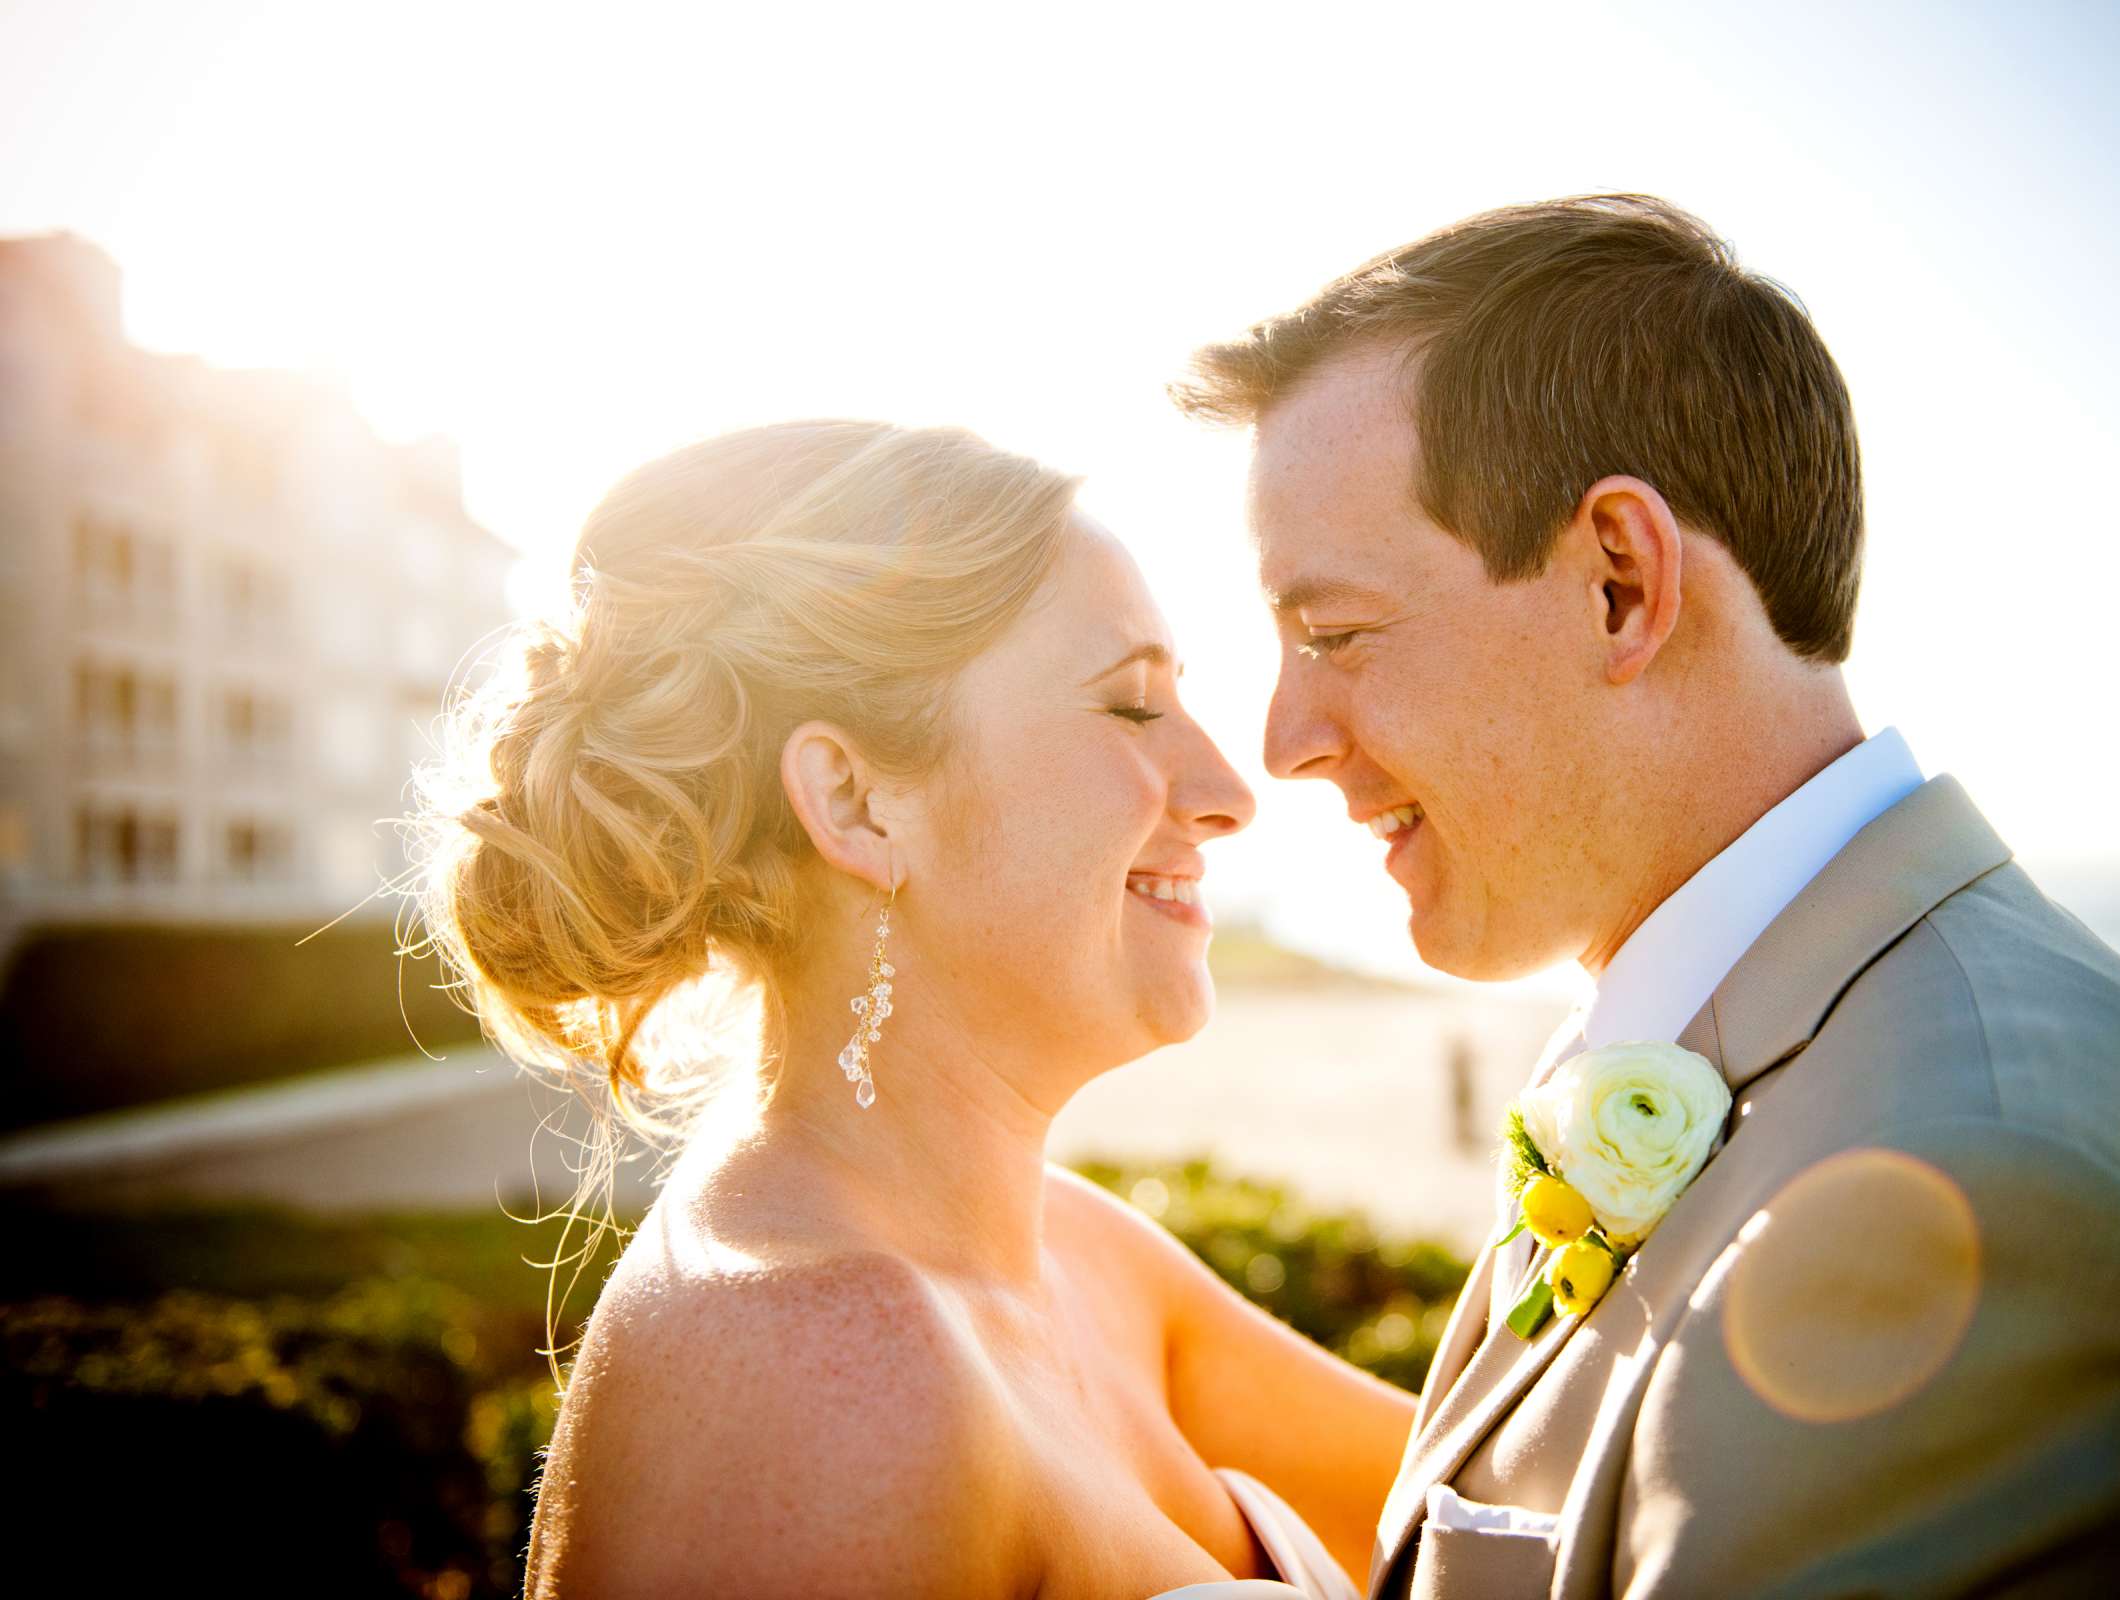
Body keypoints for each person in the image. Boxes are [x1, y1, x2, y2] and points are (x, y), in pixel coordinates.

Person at [1171, 194, 2120, 1595]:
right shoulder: (1733, 1036)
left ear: (1620, 583)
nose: (1285, 740)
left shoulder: (1974, 1182)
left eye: (1337, 633)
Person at [407, 420, 1411, 1598]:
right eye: (1133, 708)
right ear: (857, 802)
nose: (1228, 791)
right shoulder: (814, 1388)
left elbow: (1530, 1517)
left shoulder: (1075, 1255)